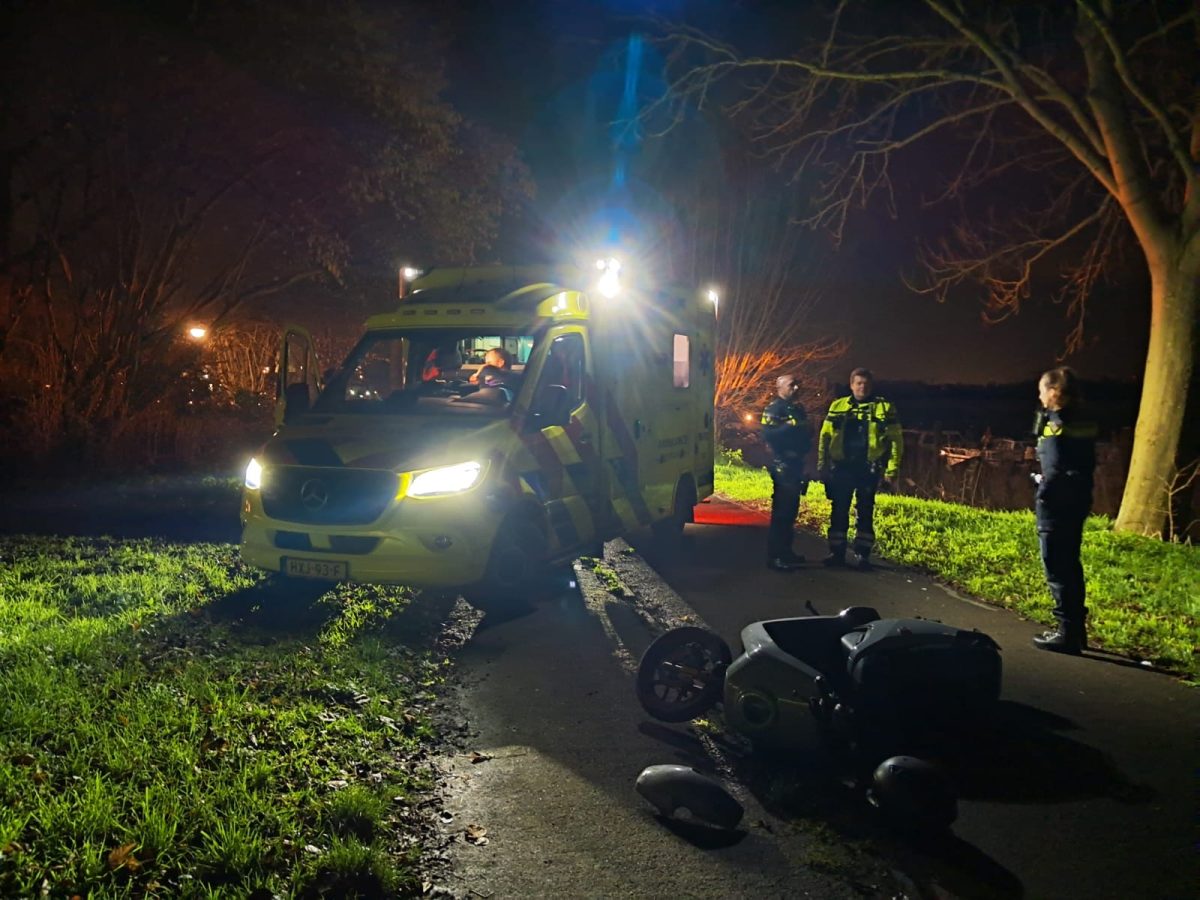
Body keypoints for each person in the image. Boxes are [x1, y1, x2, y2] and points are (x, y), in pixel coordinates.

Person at [1031, 366, 1097, 655]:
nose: (1040, 396)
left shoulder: (1054, 423)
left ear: (1054, 392)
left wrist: (1041, 490)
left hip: (1056, 503)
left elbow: (1054, 468)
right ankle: (1076, 630)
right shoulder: (1084, 422)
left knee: (1056, 566)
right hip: (1079, 498)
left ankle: (1066, 634)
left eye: (1043, 390)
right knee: (1071, 564)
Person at [817, 367, 902, 570]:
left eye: (866, 383)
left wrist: (892, 470)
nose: (862, 387)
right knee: (839, 510)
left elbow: (896, 441)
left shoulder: (884, 408)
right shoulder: (837, 406)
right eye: (858, 383)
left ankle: (862, 555)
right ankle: (836, 553)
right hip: (842, 468)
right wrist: (822, 465)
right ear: (851, 384)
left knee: (865, 511)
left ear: (870, 386)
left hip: (868, 468)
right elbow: (825, 437)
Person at [760, 374, 812, 571]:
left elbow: (806, 434)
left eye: (798, 384)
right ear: (779, 387)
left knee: (791, 511)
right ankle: (775, 557)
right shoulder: (775, 408)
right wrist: (787, 427)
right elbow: (767, 434)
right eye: (792, 384)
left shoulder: (797, 409)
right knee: (782, 512)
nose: (796, 388)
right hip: (782, 465)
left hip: (797, 463)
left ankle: (786, 552)